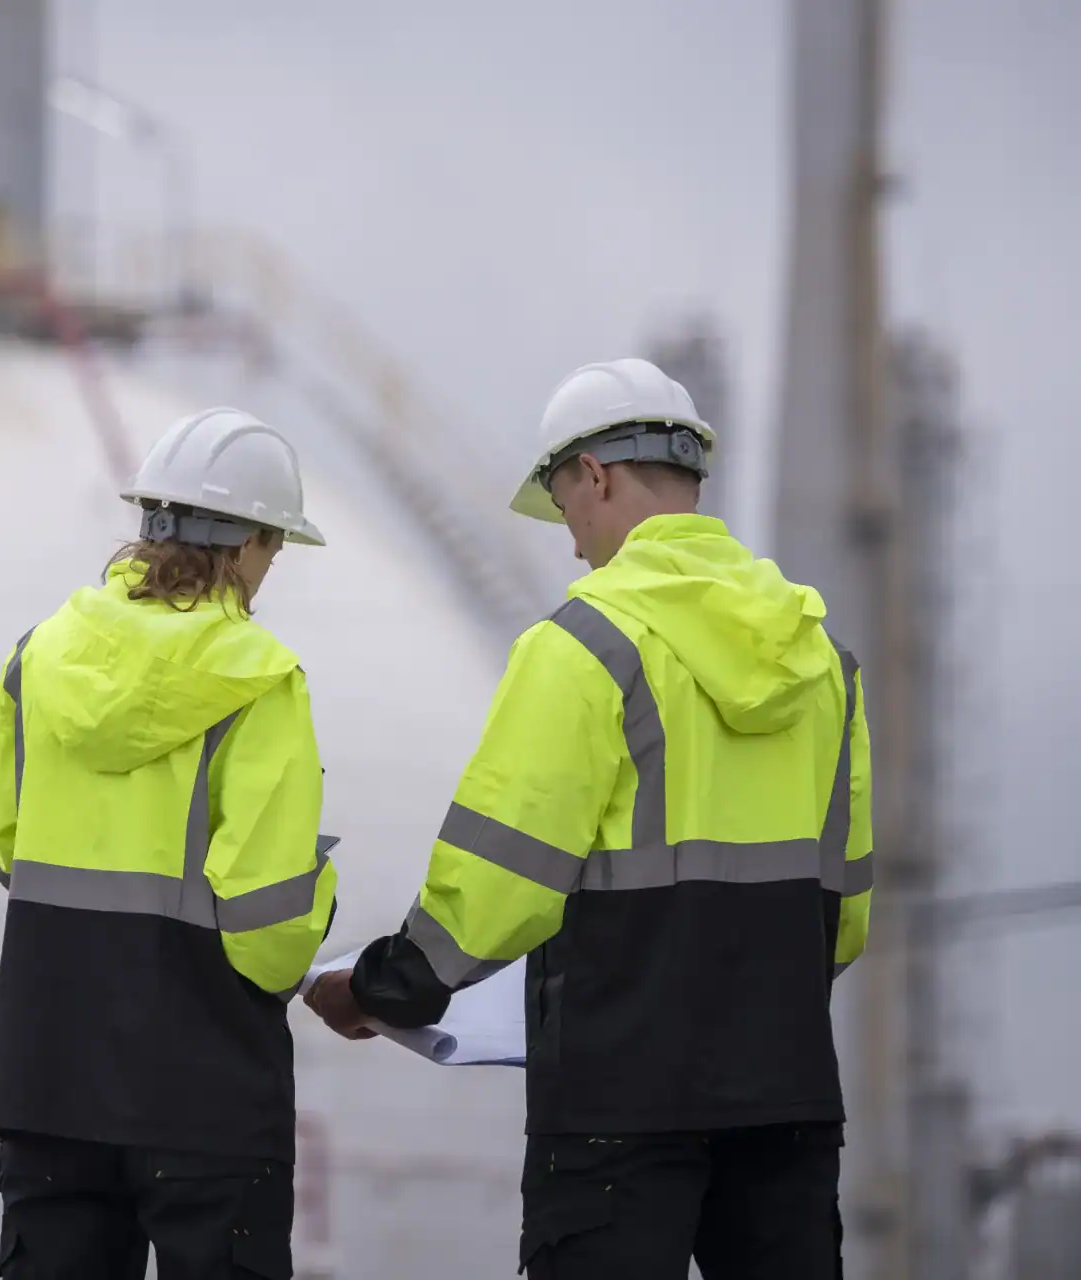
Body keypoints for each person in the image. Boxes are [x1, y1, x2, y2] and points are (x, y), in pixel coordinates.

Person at [303, 358, 873, 1279]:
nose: (573, 544)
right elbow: (845, 910)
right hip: (786, 1095)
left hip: (619, 1105)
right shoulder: (824, 664)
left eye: (565, 505)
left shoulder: (583, 648)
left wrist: (382, 988)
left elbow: (496, 886)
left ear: (596, 476)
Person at [0, 406, 341, 1280]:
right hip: (205, 1096)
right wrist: (319, 888)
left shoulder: (39, 658)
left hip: (49, 1078)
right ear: (246, 543)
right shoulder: (260, 680)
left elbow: (5, 842)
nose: (269, 574)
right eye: (274, 552)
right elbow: (269, 926)